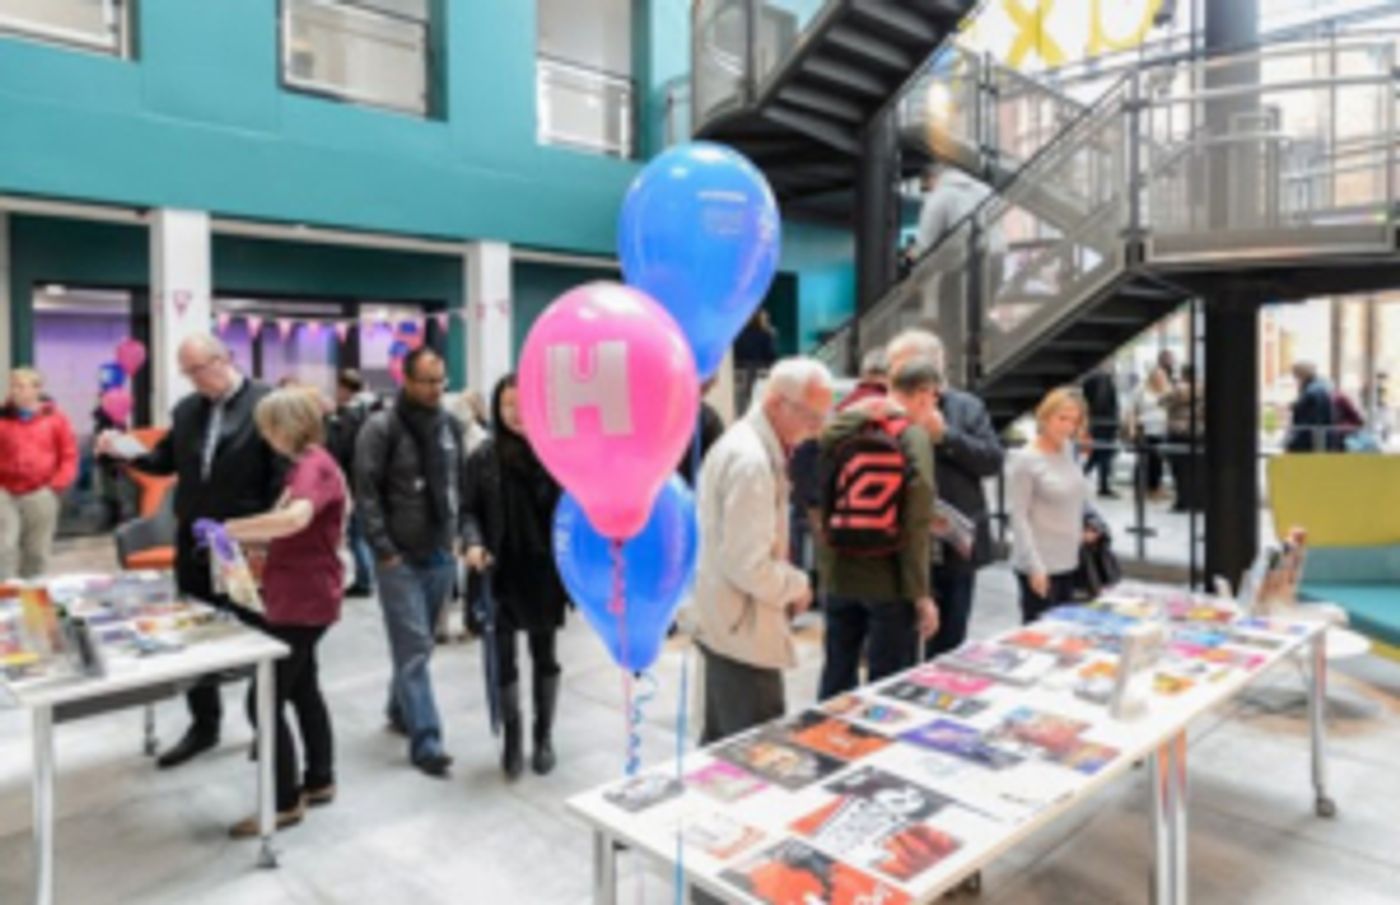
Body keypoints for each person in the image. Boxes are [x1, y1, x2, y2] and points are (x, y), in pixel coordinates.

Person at [99, 335, 283, 769]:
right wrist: (122, 451)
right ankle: (204, 725)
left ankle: (267, 729)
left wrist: (271, 536)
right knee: (195, 635)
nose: (194, 380)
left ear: (224, 359)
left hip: (243, 545)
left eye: (198, 370)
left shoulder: (267, 404)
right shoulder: (187, 410)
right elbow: (164, 461)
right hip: (194, 542)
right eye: (188, 372)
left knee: (260, 636)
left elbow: (281, 477)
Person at [220, 388, 347, 837]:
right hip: (298, 594)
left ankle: (284, 801)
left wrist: (232, 529)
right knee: (303, 687)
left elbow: (295, 519)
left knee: (264, 700)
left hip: (303, 600)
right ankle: (319, 778)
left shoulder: (314, 468)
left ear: (286, 426)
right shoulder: (308, 467)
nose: (264, 436)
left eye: (268, 427)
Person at [694, 358, 834, 743]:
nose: (816, 428)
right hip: (744, 630)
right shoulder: (751, 461)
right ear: (776, 403)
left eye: (822, 417)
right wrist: (797, 585)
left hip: (729, 619)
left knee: (722, 744)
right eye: (810, 416)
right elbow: (747, 564)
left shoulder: (749, 443)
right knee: (754, 751)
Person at [355, 346, 466, 778]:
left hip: (440, 551)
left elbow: (457, 484)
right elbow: (366, 494)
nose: (436, 389)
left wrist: (456, 536)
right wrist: (383, 549)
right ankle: (427, 742)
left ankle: (398, 708)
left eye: (441, 381)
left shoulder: (450, 427)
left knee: (414, 649)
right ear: (406, 379)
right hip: (398, 558)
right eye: (427, 381)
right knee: (416, 648)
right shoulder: (379, 429)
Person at [463, 374, 570, 779]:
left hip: (544, 572)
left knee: (545, 655)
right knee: (502, 660)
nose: (517, 414)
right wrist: (471, 541)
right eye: (508, 406)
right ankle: (512, 738)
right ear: (496, 408)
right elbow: (468, 510)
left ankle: (544, 737)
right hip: (499, 571)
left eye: (525, 405)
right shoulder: (482, 457)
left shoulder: (557, 453)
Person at [816, 359, 940, 699]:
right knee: (889, 685)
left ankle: (826, 742)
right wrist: (921, 592)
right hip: (888, 580)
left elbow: (821, 492)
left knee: (836, 673)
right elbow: (916, 519)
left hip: (839, 573)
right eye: (934, 397)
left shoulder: (844, 429)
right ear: (924, 394)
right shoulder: (911, 436)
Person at [885, 330, 1005, 660]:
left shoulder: (966, 407)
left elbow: (991, 460)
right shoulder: (882, 411)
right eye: (892, 368)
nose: (896, 377)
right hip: (899, 547)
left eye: (903, 367)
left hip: (955, 545)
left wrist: (946, 436)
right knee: (897, 648)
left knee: (949, 642)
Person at [1008, 388, 1094, 623]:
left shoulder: (1068, 450)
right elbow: (1018, 516)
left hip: (1070, 558)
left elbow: (1076, 495)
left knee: (1066, 631)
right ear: (1045, 417)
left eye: (1074, 421)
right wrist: (1035, 566)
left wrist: (1085, 526)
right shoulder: (1025, 459)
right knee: (1038, 631)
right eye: (1062, 418)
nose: (1068, 427)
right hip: (1039, 563)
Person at [0, 369, 78, 580]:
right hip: (5, 491)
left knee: (37, 551)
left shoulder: (55, 419)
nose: (20, 392)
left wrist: (56, 486)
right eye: (16, 386)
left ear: (37, 389)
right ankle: (5, 596)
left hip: (41, 491)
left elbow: (68, 454)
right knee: (5, 545)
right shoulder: (3, 418)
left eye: (25, 386)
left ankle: (32, 597)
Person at [326, 369, 377, 598]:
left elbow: (342, 451)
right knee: (362, 534)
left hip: (354, 482)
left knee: (357, 536)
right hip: (369, 481)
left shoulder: (349, 416)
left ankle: (365, 580)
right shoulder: (371, 412)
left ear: (345, 389)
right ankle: (367, 578)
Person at [1164, 365, 1203, 512]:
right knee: (1198, 469)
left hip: (1178, 432)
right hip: (1198, 432)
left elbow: (1162, 402)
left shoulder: (1177, 389)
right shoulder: (1203, 388)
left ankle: (1182, 501)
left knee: (1179, 470)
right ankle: (1198, 502)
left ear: (1183, 374)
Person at [1129, 365, 1172, 499]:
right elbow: (1131, 410)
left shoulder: (1168, 390)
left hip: (1162, 429)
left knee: (1157, 461)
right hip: (1144, 429)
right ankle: (1140, 490)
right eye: (1157, 376)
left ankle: (1154, 489)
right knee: (1142, 461)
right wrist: (1132, 428)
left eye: (1162, 376)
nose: (1160, 379)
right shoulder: (1141, 390)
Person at [1080, 363, 1120, 498]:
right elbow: (1108, 403)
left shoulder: (1088, 379)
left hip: (1096, 421)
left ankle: (1085, 479)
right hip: (1106, 422)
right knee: (1103, 454)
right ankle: (1102, 485)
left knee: (1098, 453)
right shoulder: (1104, 379)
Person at [1285, 361, 1339, 453]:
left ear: (1302, 374)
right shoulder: (1318, 387)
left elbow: (1313, 417)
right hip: (1318, 436)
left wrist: (1294, 441)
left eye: (1295, 375)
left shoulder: (1313, 390)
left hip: (1311, 438)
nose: (1295, 379)